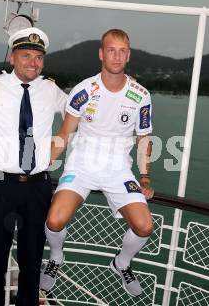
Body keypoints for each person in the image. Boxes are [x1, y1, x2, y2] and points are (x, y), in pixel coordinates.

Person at [39, 28, 154, 297]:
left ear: (129, 55)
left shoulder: (141, 95)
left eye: (122, 51)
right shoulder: (83, 91)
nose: (116, 56)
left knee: (145, 226)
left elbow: (144, 139)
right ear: (102, 54)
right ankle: (56, 257)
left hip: (118, 169)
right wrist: (44, 166)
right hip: (81, 165)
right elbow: (64, 134)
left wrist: (145, 176)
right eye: (111, 50)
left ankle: (121, 262)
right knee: (55, 220)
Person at [0, 27, 67, 305]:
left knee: (32, 262)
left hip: (38, 187)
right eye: (26, 55)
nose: (33, 62)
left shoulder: (50, 89)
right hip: (0, 186)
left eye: (38, 57)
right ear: (12, 57)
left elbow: (78, 113)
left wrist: (60, 145)